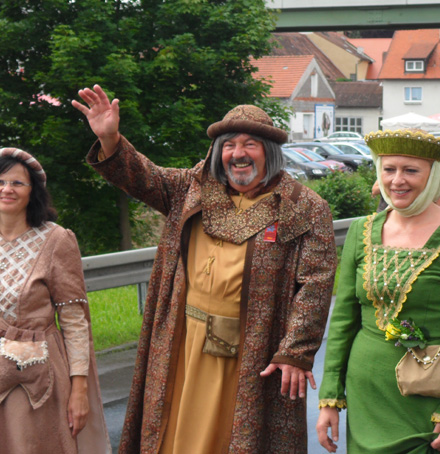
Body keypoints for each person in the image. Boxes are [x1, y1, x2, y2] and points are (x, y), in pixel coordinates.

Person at [72, 85, 337, 453]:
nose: (238, 154)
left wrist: (295, 351)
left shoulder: (303, 207)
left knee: (235, 438)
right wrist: (111, 138)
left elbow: (316, 284)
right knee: (175, 433)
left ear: (270, 152)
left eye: (250, 144)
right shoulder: (193, 188)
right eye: (229, 145)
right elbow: (143, 177)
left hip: (253, 350)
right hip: (184, 339)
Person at [317, 128, 440, 453]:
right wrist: (330, 396)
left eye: (410, 170)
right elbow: (343, 320)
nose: (397, 180)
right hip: (366, 400)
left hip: (432, 404)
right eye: (389, 169)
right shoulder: (361, 231)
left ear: (434, 174)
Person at [0, 148, 110, 453]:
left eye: (17, 183)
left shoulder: (56, 239)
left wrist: (80, 389)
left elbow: (75, 321)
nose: (7, 189)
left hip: (32, 372)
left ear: (33, 191)